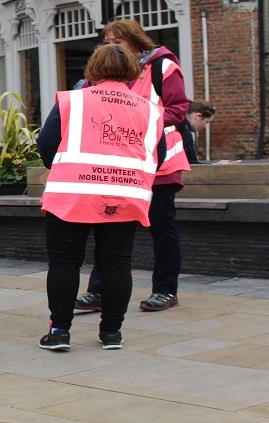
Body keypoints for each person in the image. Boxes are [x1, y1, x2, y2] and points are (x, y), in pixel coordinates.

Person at [37, 44, 165, 351]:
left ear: (93, 69)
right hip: (125, 194)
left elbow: (47, 143)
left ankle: (60, 331)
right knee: (117, 264)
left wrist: (62, 168)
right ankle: (111, 333)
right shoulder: (150, 109)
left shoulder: (74, 101)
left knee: (65, 263)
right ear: (132, 72)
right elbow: (154, 153)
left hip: (73, 194)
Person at [75, 19, 190, 314]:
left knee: (161, 227)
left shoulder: (162, 66)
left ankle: (166, 290)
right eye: (106, 41)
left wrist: (139, 119)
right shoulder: (107, 74)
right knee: (108, 225)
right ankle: (98, 292)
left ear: (135, 41)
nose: (110, 46)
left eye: (117, 41)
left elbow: (178, 110)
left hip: (159, 161)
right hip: (121, 161)